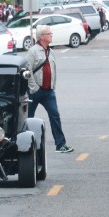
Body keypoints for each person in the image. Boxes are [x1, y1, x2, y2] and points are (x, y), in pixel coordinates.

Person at [24, 25, 75, 154]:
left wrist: (53, 87)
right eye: (49, 33)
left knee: (55, 116)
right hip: (35, 91)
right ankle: (25, 146)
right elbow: (28, 70)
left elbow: (53, 70)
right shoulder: (33, 51)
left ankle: (60, 144)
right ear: (42, 37)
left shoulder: (51, 52)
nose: (51, 35)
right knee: (27, 118)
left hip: (48, 92)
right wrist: (34, 88)